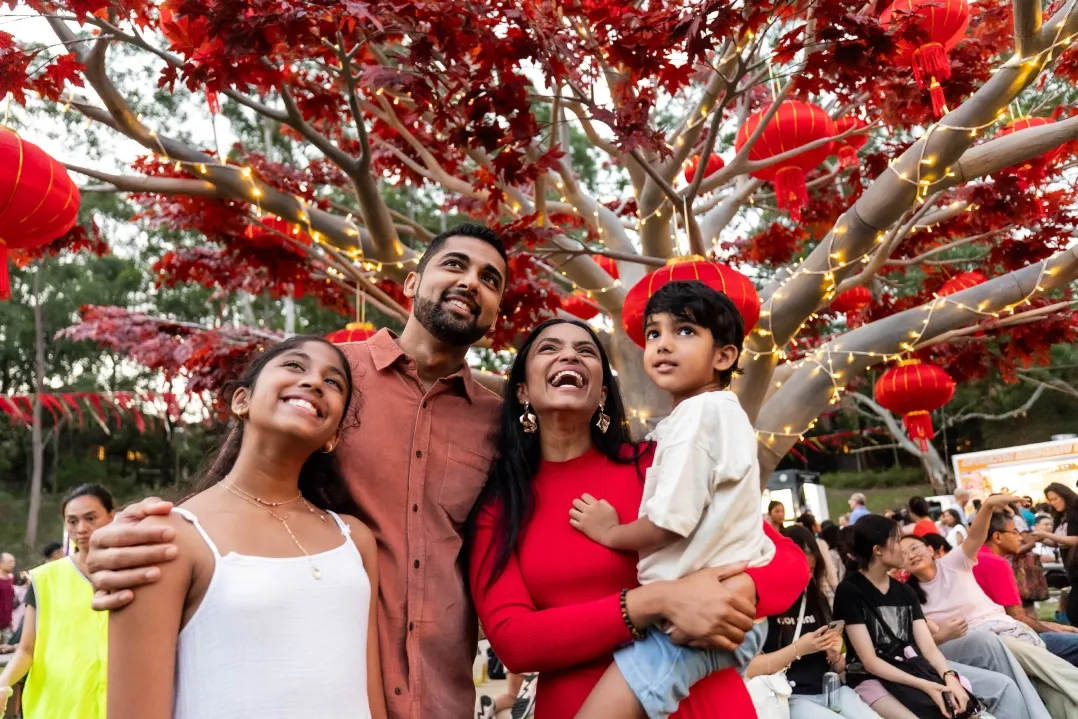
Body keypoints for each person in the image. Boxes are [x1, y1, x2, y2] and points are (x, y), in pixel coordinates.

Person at [86, 223, 509, 717]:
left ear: (497, 316)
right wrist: (140, 534)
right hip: (310, 674)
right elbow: (242, 470)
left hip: (442, 692)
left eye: (490, 279)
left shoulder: (498, 423)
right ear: (412, 282)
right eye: (454, 265)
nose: (470, 282)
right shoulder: (329, 381)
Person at [469, 318, 811, 719]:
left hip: (702, 703)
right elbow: (515, 641)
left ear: (601, 392)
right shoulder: (500, 505)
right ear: (523, 389)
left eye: (585, 351)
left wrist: (743, 591)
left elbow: (787, 560)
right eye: (549, 348)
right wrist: (655, 601)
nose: (569, 356)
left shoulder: (657, 465)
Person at [107, 336, 386, 719]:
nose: (314, 382)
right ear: (242, 401)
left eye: (333, 382)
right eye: (294, 366)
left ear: (334, 435)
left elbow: (370, 697)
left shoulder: (355, 540)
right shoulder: (166, 538)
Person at [568, 281, 775, 718]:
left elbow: (670, 521)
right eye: (654, 333)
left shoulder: (698, 416)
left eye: (684, 331)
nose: (662, 344)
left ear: (724, 356)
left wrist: (609, 532)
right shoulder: (723, 414)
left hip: (698, 616)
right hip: (723, 611)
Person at [900, 497, 1078, 717]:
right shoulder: (908, 596)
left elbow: (976, 535)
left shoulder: (953, 563)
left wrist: (987, 507)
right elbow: (921, 643)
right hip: (979, 647)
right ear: (900, 564)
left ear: (930, 549)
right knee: (1008, 650)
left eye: (914, 547)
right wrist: (945, 634)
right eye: (903, 554)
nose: (911, 554)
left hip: (1008, 631)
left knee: (1052, 690)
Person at [832, 515, 971, 719]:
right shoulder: (849, 591)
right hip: (871, 679)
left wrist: (949, 677)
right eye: (896, 540)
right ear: (877, 550)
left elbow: (929, 648)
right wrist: (926, 686)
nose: (902, 548)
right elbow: (870, 661)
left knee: (964, 704)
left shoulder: (905, 592)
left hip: (912, 670)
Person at [0, 484, 116, 718]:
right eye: (72, 521)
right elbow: (26, 649)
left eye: (91, 518)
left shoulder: (134, 573)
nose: (82, 528)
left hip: (114, 705)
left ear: (112, 516)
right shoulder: (44, 578)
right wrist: (4, 683)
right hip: (55, 706)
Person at [746, 525, 881, 719]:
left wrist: (835, 655)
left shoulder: (816, 600)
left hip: (831, 691)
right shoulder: (761, 603)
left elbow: (838, 667)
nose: (804, 577)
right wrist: (799, 649)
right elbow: (750, 668)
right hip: (789, 695)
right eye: (798, 568)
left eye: (810, 569)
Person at [977, 511, 1078, 664]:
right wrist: (1055, 629)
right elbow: (1016, 617)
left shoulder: (975, 557)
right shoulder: (996, 563)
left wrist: (1053, 626)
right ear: (997, 536)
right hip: (1004, 640)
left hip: (988, 637)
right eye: (1015, 532)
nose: (1021, 538)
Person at [1036, 482, 1078, 624]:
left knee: (1074, 609)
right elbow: (1059, 542)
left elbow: (1074, 539)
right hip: (1072, 569)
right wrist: (1040, 538)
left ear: (1064, 495)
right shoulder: (1060, 516)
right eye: (1050, 500)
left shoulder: (1075, 513)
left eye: (1055, 498)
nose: (1053, 503)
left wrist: (1049, 536)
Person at [797, 514, 839, 601]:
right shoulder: (819, 543)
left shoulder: (799, 545)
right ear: (812, 526)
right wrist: (835, 586)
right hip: (822, 586)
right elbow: (829, 567)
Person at [0, 554, 13, 636]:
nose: (12, 564)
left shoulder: (10, 580)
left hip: (7, 624)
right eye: (10, 562)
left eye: (13, 562)